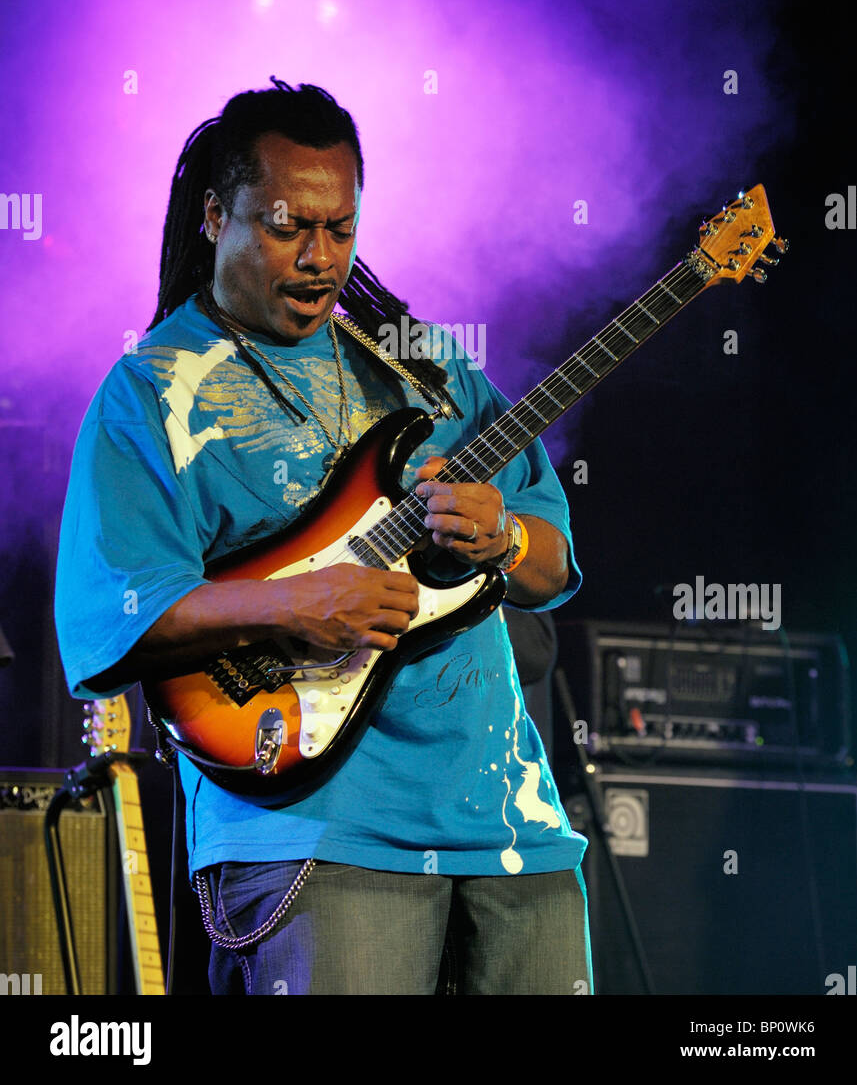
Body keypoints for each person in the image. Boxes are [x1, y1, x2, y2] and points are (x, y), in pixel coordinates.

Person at [54, 79, 592, 996]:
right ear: (215, 216)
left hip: (512, 830)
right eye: (285, 226)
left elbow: (550, 570)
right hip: (311, 831)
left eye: (340, 229)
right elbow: (113, 617)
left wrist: (502, 538)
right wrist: (294, 602)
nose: (319, 258)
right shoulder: (151, 391)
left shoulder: (421, 363)